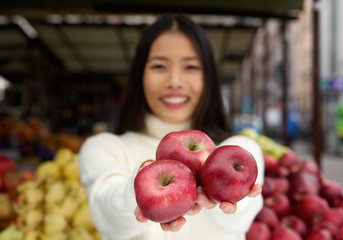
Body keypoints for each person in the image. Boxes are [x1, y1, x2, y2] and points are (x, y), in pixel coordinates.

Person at [78, 14, 264, 240]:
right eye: (159, 66)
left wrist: (222, 187)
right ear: (139, 76)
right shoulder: (104, 147)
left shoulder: (239, 149)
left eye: (190, 67)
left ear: (208, 78)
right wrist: (140, 190)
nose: (174, 81)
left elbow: (239, 219)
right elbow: (107, 217)